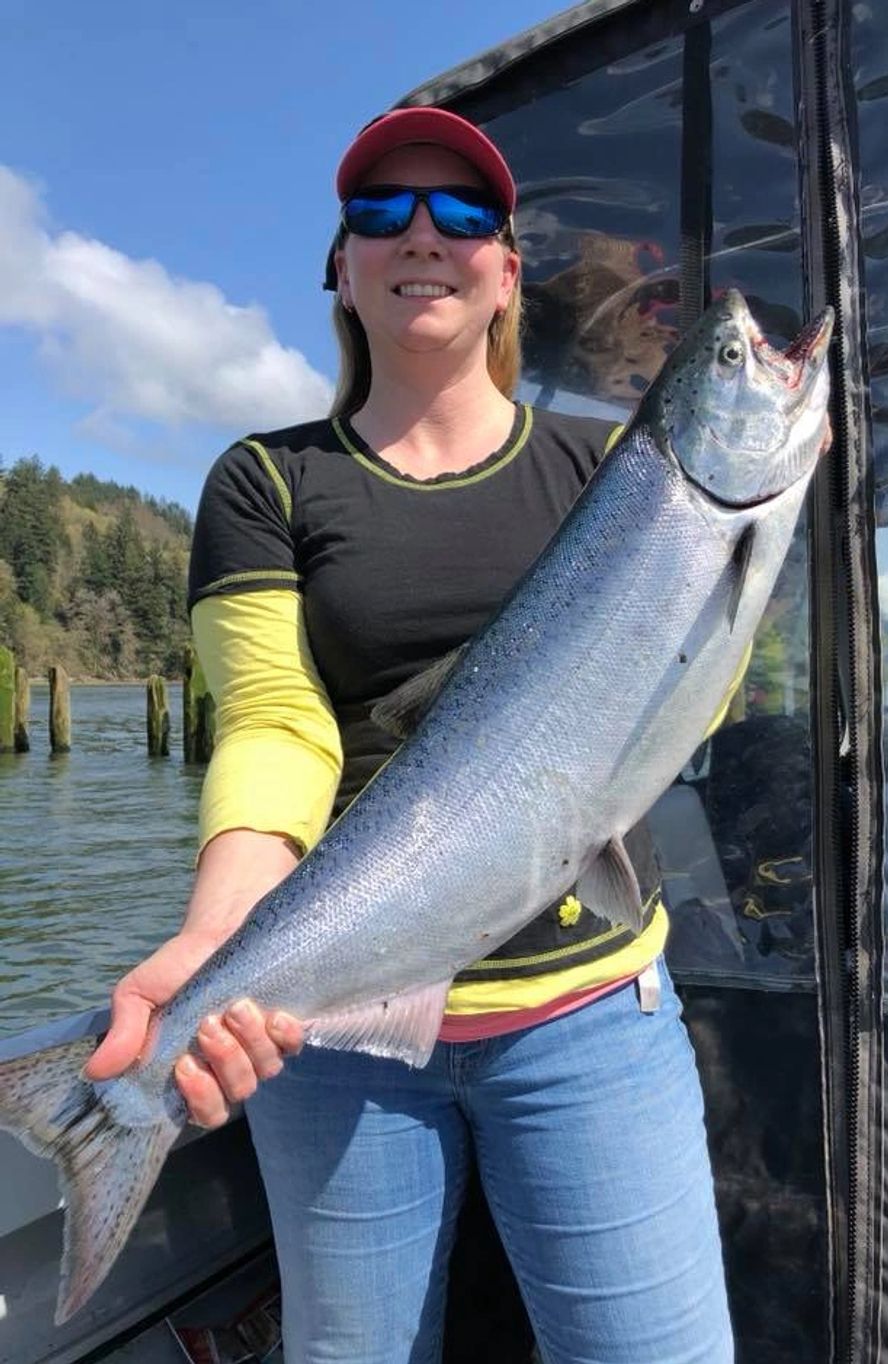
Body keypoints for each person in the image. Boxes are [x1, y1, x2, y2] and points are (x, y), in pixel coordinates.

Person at [85, 107, 734, 1363]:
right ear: (339, 267)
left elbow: (681, 691)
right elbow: (277, 727)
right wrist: (220, 942)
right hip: (333, 1037)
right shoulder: (265, 481)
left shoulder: (617, 477)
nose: (421, 235)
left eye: (462, 215)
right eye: (381, 212)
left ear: (505, 272)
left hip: (590, 1013)